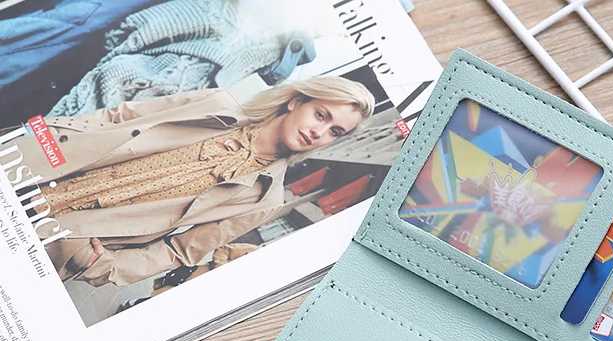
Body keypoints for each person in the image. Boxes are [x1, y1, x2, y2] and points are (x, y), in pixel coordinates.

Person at [18, 75, 374, 286]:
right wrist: (52, 134)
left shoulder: (265, 199)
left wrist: (103, 266)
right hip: (36, 173)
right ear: (296, 102)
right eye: (321, 115)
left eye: (334, 131)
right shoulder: (215, 103)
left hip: (62, 238)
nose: (319, 132)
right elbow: (120, 115)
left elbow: (180, 251)